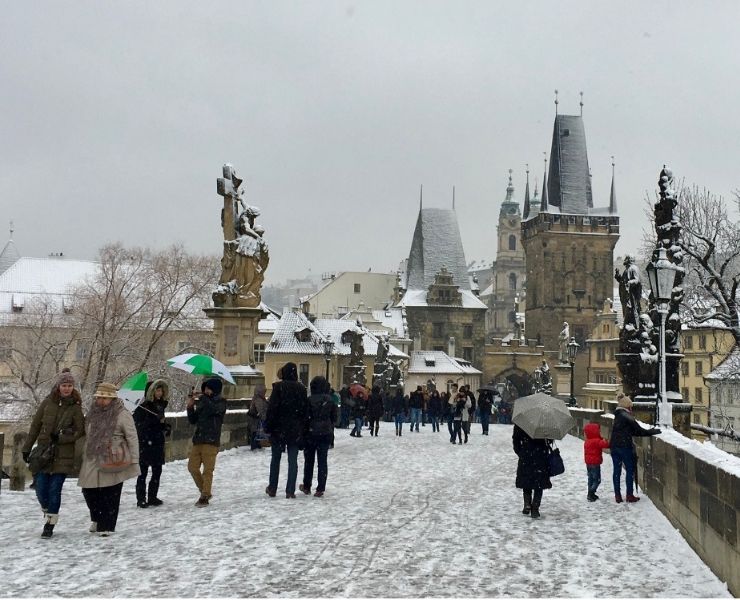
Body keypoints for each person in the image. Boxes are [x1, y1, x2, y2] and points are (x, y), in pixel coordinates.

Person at [22, 370, 85, 538]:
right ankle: (47, 509)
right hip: (44, 454)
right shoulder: (47, 403)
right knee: (41, 488)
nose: (66, 389)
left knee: (55, 490)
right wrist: (27, 448)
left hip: (63, 455)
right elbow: (35, 426)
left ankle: (49, 525)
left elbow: (80, 431)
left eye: (69, 386)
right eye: (64, 385)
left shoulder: (76, 408)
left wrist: (63, 437)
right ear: (58, 386)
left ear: (73, 387)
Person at [78, 382, 140, 536]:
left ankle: (107, 526)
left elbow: (132, 437)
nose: (101, 401)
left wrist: (134, 459)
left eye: (105, 398)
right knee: (88, 490)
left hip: (114, 456)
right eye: (99, 397)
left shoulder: (122, 413)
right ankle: (97, 518)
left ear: (112, 399)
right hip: (93, 456)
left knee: (111, 493)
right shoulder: (92, 413)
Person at [265, 362, 309, 498]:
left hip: (279, 428)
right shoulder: (301, 389)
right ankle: (290, 490)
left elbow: (272, 409)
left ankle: (272, 487)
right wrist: (303, 428)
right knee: (292, 461)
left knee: (276, 459)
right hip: (294, 430)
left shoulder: (278, 388)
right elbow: (304, 412)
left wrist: (269, 426)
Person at [610, 394, 661, 503]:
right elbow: (638, 430)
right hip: (625, 446)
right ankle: (629, 495)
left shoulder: (618, 415)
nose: (631, 409)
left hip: (614, 446)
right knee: (629, 470)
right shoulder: (626, 416)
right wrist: (652, 431)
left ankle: (617, 496)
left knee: (616, 471)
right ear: (627, 406)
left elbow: (630, 430)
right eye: (630, 407)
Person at [187, 378, 227, 507]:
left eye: (208, 388)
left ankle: (205, 495)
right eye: (205, 388)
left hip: (211, 440)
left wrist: (204, 399)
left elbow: (214, 410)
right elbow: (193, 420)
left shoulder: (221, 402)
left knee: (208, 471)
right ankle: (205, 490)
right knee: (192, 467)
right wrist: (190, 407)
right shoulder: (204, 402)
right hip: (198, 439)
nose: (205, 391)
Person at [133, 379, 171, 508]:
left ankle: (152, 496)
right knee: (142, 472)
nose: (159, 393)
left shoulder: (160, 406)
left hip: (157, 443)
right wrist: (153, 421)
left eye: (160, 390)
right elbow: (138, 426)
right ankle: (141, 498)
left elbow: (160, 424)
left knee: (157, 471)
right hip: (145, 443)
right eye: (157, 390)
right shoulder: (142, 407)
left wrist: (165, 427)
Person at [299, 376, 337, 497]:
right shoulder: (330, 401)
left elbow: (304, 418)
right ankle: (320, 488)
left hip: (311, 433)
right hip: (325, 433)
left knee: (309, 461)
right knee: (322, 461)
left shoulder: (309, 400)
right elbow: (335, 418)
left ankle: (307, 485)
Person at [512, 424, 552, 519]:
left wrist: (520, 451)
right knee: (539, 483)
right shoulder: (545, 422)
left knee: (527, 480)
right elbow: (550, 440)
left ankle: (527, 504)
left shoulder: (521, 422)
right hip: (541, 455)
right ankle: (535, 507)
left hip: (526, 454)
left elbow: (516, 439)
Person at [583, 422, 610, 502]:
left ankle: (590, 493)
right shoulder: (597, 441)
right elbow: (605, 445)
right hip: (595, 463)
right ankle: (591, 493)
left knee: (590, 479)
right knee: (597, 480)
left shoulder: (587, 441)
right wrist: (605, 440)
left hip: (588, 463)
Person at [247, 383, 268, 450]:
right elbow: (260, 410)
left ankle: (256, 444)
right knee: (255, 432)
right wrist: (264, 417)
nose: (264, 393)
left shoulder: (258, 398)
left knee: (255, 432)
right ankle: (254, 445)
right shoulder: (258, 399)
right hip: (255, 418)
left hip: (254, 418)